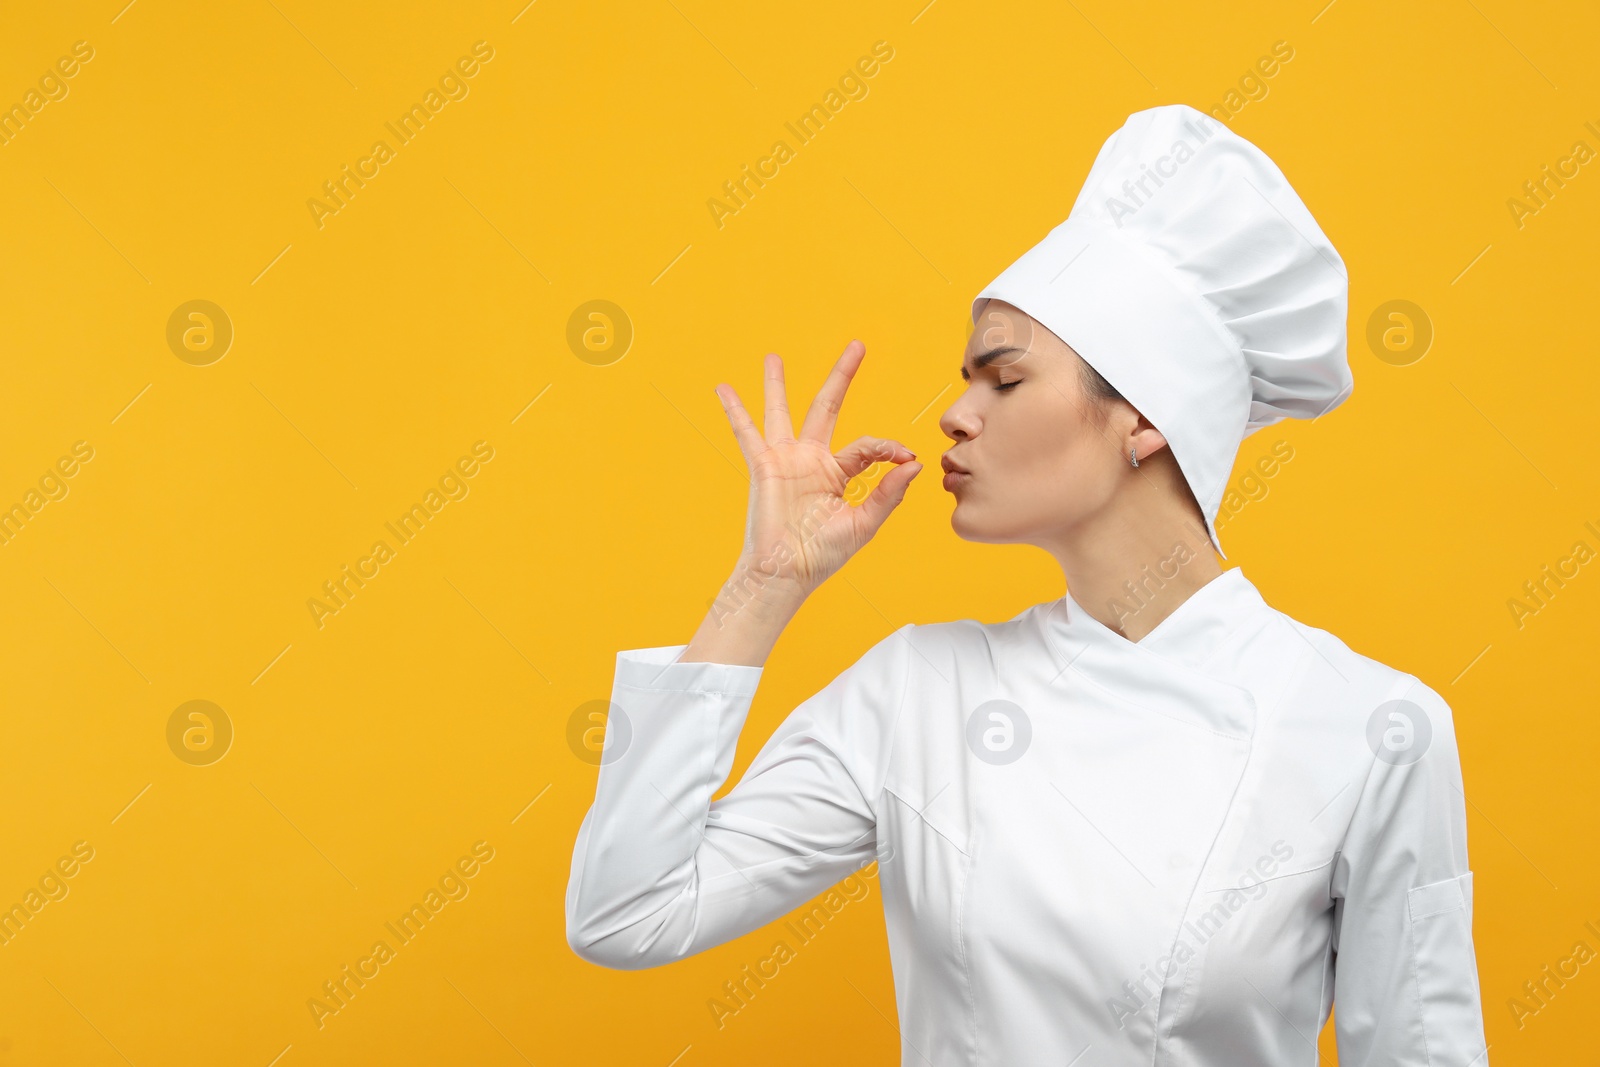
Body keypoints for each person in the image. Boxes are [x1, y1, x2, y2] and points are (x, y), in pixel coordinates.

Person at [565, 104, 1489, 1065]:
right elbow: (627, 912)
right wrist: (763, 584)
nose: (956, 416)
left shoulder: (1371, 727)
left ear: (1143, 418)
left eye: (1003, 380)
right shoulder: (920, 690)